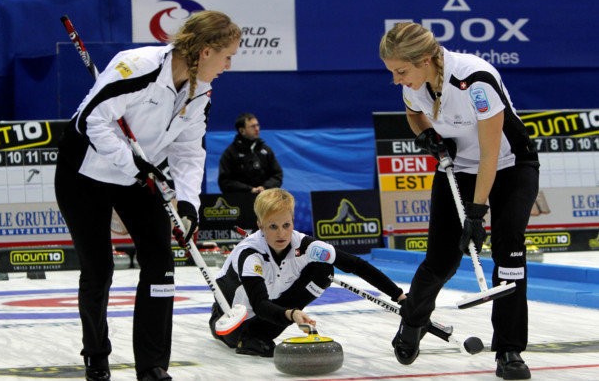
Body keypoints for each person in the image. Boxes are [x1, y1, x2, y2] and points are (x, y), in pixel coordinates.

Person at [54, 11, 241, 381]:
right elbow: (90, 121)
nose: (229, 65)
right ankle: (96, 356)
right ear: (206, 51)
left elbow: (189, 151)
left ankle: (152, 366)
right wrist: (135, 166)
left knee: (160, 264)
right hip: (85, 172)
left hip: (140, 175)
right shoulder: (136, 66)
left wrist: (188, 204)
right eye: (227, 56)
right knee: (99, 269)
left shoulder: (199, 89)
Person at [379, 22, 539, 380]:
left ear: (425, 59)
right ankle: (413, 321)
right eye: (391, 72)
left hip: (510, 166)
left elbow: (490, 152)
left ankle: (509, 349)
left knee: (509, 249)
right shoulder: (416, 82)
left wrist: (477, 213)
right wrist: (427, 137)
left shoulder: (474, 80)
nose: (396, 79)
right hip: (458, 169)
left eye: (401, 71)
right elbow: (413, 112)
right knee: (440, 258)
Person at [208, 188, 406, 356]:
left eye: (286, 225)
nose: (281, 233)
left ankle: (262, 333)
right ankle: (248, 337)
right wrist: (292, 314)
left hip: (270, 311)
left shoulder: (305, 244)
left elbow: (355, 264)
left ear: (293, 220)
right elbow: (259, 305)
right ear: (260, 225)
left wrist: (398, 295)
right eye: (273, 226)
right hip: (231, 318)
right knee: (243, 341)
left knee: (323, 269)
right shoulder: (250, 255)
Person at [218, 113, 283, 194]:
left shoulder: (266, 150)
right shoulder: (230, 153)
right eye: (252, 126)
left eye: (257, 125)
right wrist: (249, 189)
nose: (257, 129)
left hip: (264, 199)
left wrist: (265, 187)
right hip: (240, 201)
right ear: (242, 131)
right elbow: (225, 182)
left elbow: (277, 175)